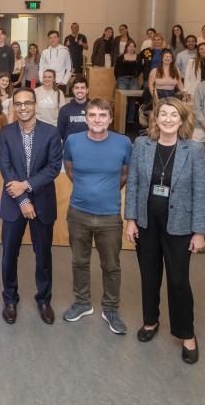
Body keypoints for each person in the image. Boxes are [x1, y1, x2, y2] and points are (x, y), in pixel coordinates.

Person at [125, 98, 205, 364]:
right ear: (156, 118)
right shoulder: (142, 145)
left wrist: (199, 232)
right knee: (149, 276)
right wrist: (130, 219)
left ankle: (187, 334)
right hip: (146, 223)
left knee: (178, 281)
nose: (168, 119)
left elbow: (200, 193)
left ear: (182, 120)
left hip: (180, 226)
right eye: (163, 114)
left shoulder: (194, 149)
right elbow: (134, 183)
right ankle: (150, 321)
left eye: (174, 115)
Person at [63, 99, 132, 334]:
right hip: (78, 213)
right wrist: (88, 189)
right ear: (86, 118)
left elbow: (125, 174)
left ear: (110, 119)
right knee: (79, 261)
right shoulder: (73, 141)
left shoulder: (123, 143)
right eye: (92, 115)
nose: (97, 119)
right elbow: (70, 169)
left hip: (109, 215)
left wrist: (105, 191)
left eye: (102, 115)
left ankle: (110, 309)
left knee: (111, 265)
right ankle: (82, 303)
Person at [0, 87, 63, 325]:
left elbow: (53, 168)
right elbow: (6, 169)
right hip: (14, 204)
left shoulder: (51, 132)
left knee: (43, 255)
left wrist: (25, 186)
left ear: (35, 104)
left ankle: (44, 300)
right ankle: (10, 300)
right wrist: (23, 200)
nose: (23, 107)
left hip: (42, 203)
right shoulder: (6, 133)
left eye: (27, 103)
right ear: (13, 106)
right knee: (9, 255)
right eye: (18, 104)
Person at [57, 76, 89, 141]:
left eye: (82, 88)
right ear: (73, 90)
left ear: (87, 90)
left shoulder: (94, 108)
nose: (79, 90)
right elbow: (60, 132)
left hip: (90, 145)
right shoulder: (64, 110)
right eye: (77, 88)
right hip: (70, 146)